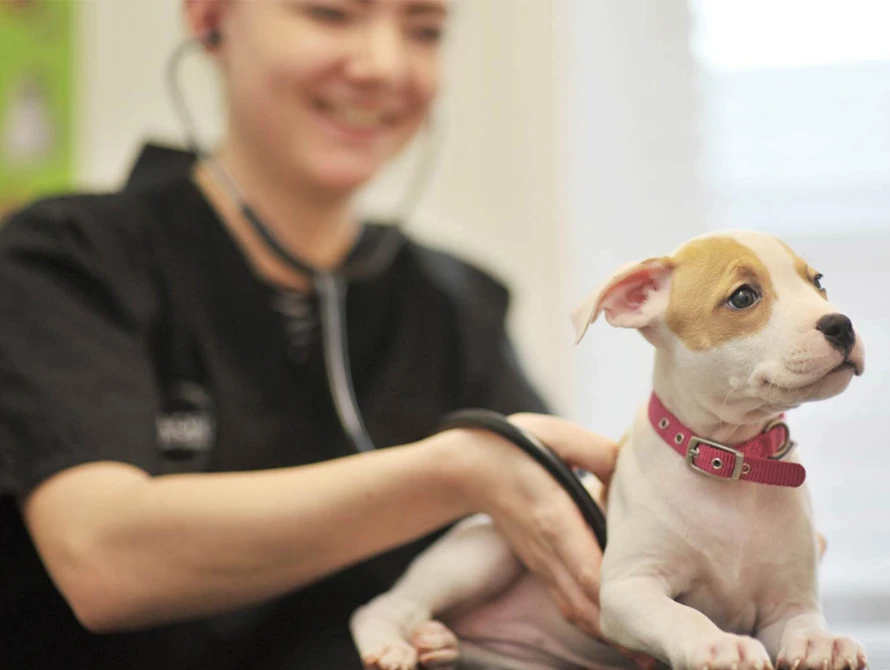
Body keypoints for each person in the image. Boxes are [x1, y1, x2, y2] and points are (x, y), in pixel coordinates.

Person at [0, 1, 618, 668]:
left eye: (424, 30)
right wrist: (460, 470)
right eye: (331, 13)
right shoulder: (68, 261)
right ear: (210, 19)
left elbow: (566, 540)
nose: (383, 65)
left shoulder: (456, 305)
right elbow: (104, 560)